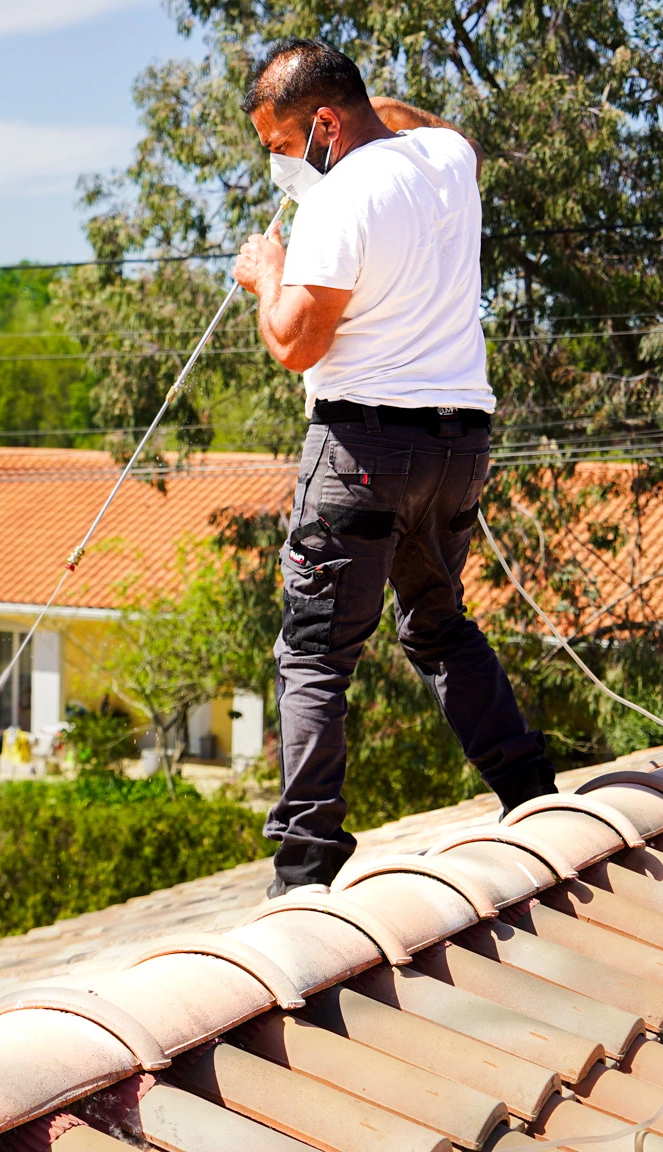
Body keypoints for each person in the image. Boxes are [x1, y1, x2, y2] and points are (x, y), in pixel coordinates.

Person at [231, 37, 557, 897]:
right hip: (458, 447)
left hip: (363, 452)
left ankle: (303, 868)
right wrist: (372, 120)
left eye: (280, 145)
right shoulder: (446, 158)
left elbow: (298, 345)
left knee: (314, 653)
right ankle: (529, 792)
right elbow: (432, 129)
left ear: (326, 124)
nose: (280, 165)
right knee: (438, 623)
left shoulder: (336, 205)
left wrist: (268, 275)